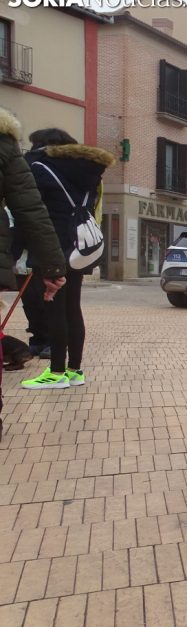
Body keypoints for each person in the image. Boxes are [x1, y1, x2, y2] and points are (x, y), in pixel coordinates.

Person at [20, 126, 112, 390]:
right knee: (72, 308)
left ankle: (56, 372)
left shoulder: (40, 168)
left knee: (54, 309)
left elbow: (32, 210)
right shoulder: (89, 172)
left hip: (52, 245)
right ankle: (74, 370)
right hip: (79, 247)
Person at [0, 107, 68, 433]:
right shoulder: (6, 142)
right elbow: (29, 210)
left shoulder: (31, 161)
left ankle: (42, 346)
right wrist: (53, 265)